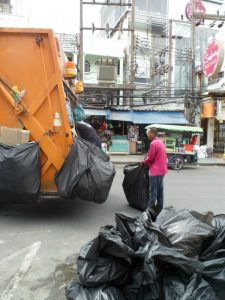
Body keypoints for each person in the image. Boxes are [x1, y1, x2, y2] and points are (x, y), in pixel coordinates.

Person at [141, 127, 167, 214]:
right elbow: (154, 154)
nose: (147, 134)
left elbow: (151, 159)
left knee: (153, 192)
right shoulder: (159, 142)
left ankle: (148, 212)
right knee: (160, 191)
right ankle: (159, 208)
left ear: (152, 133)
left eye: (148, 133)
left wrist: (143, 163)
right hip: (162, 170)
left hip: (156, 171)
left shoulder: (153, 143)